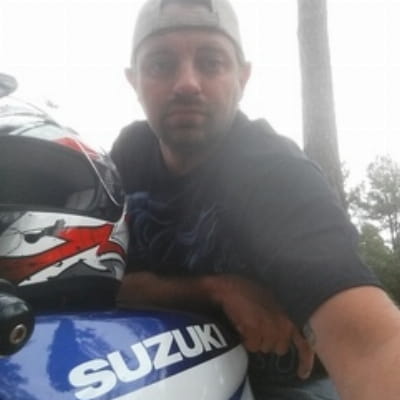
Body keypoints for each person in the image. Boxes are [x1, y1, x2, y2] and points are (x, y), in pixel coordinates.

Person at [111, 0, 400, 399]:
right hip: (151, 372)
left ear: (242, 77)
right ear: (133, 81)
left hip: (288, 382)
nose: (187, 83)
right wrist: (216, 289)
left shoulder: (275, 173)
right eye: (161, 65)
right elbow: (93, 283)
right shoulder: (127, 157)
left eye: (211, 63)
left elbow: (372, 345)